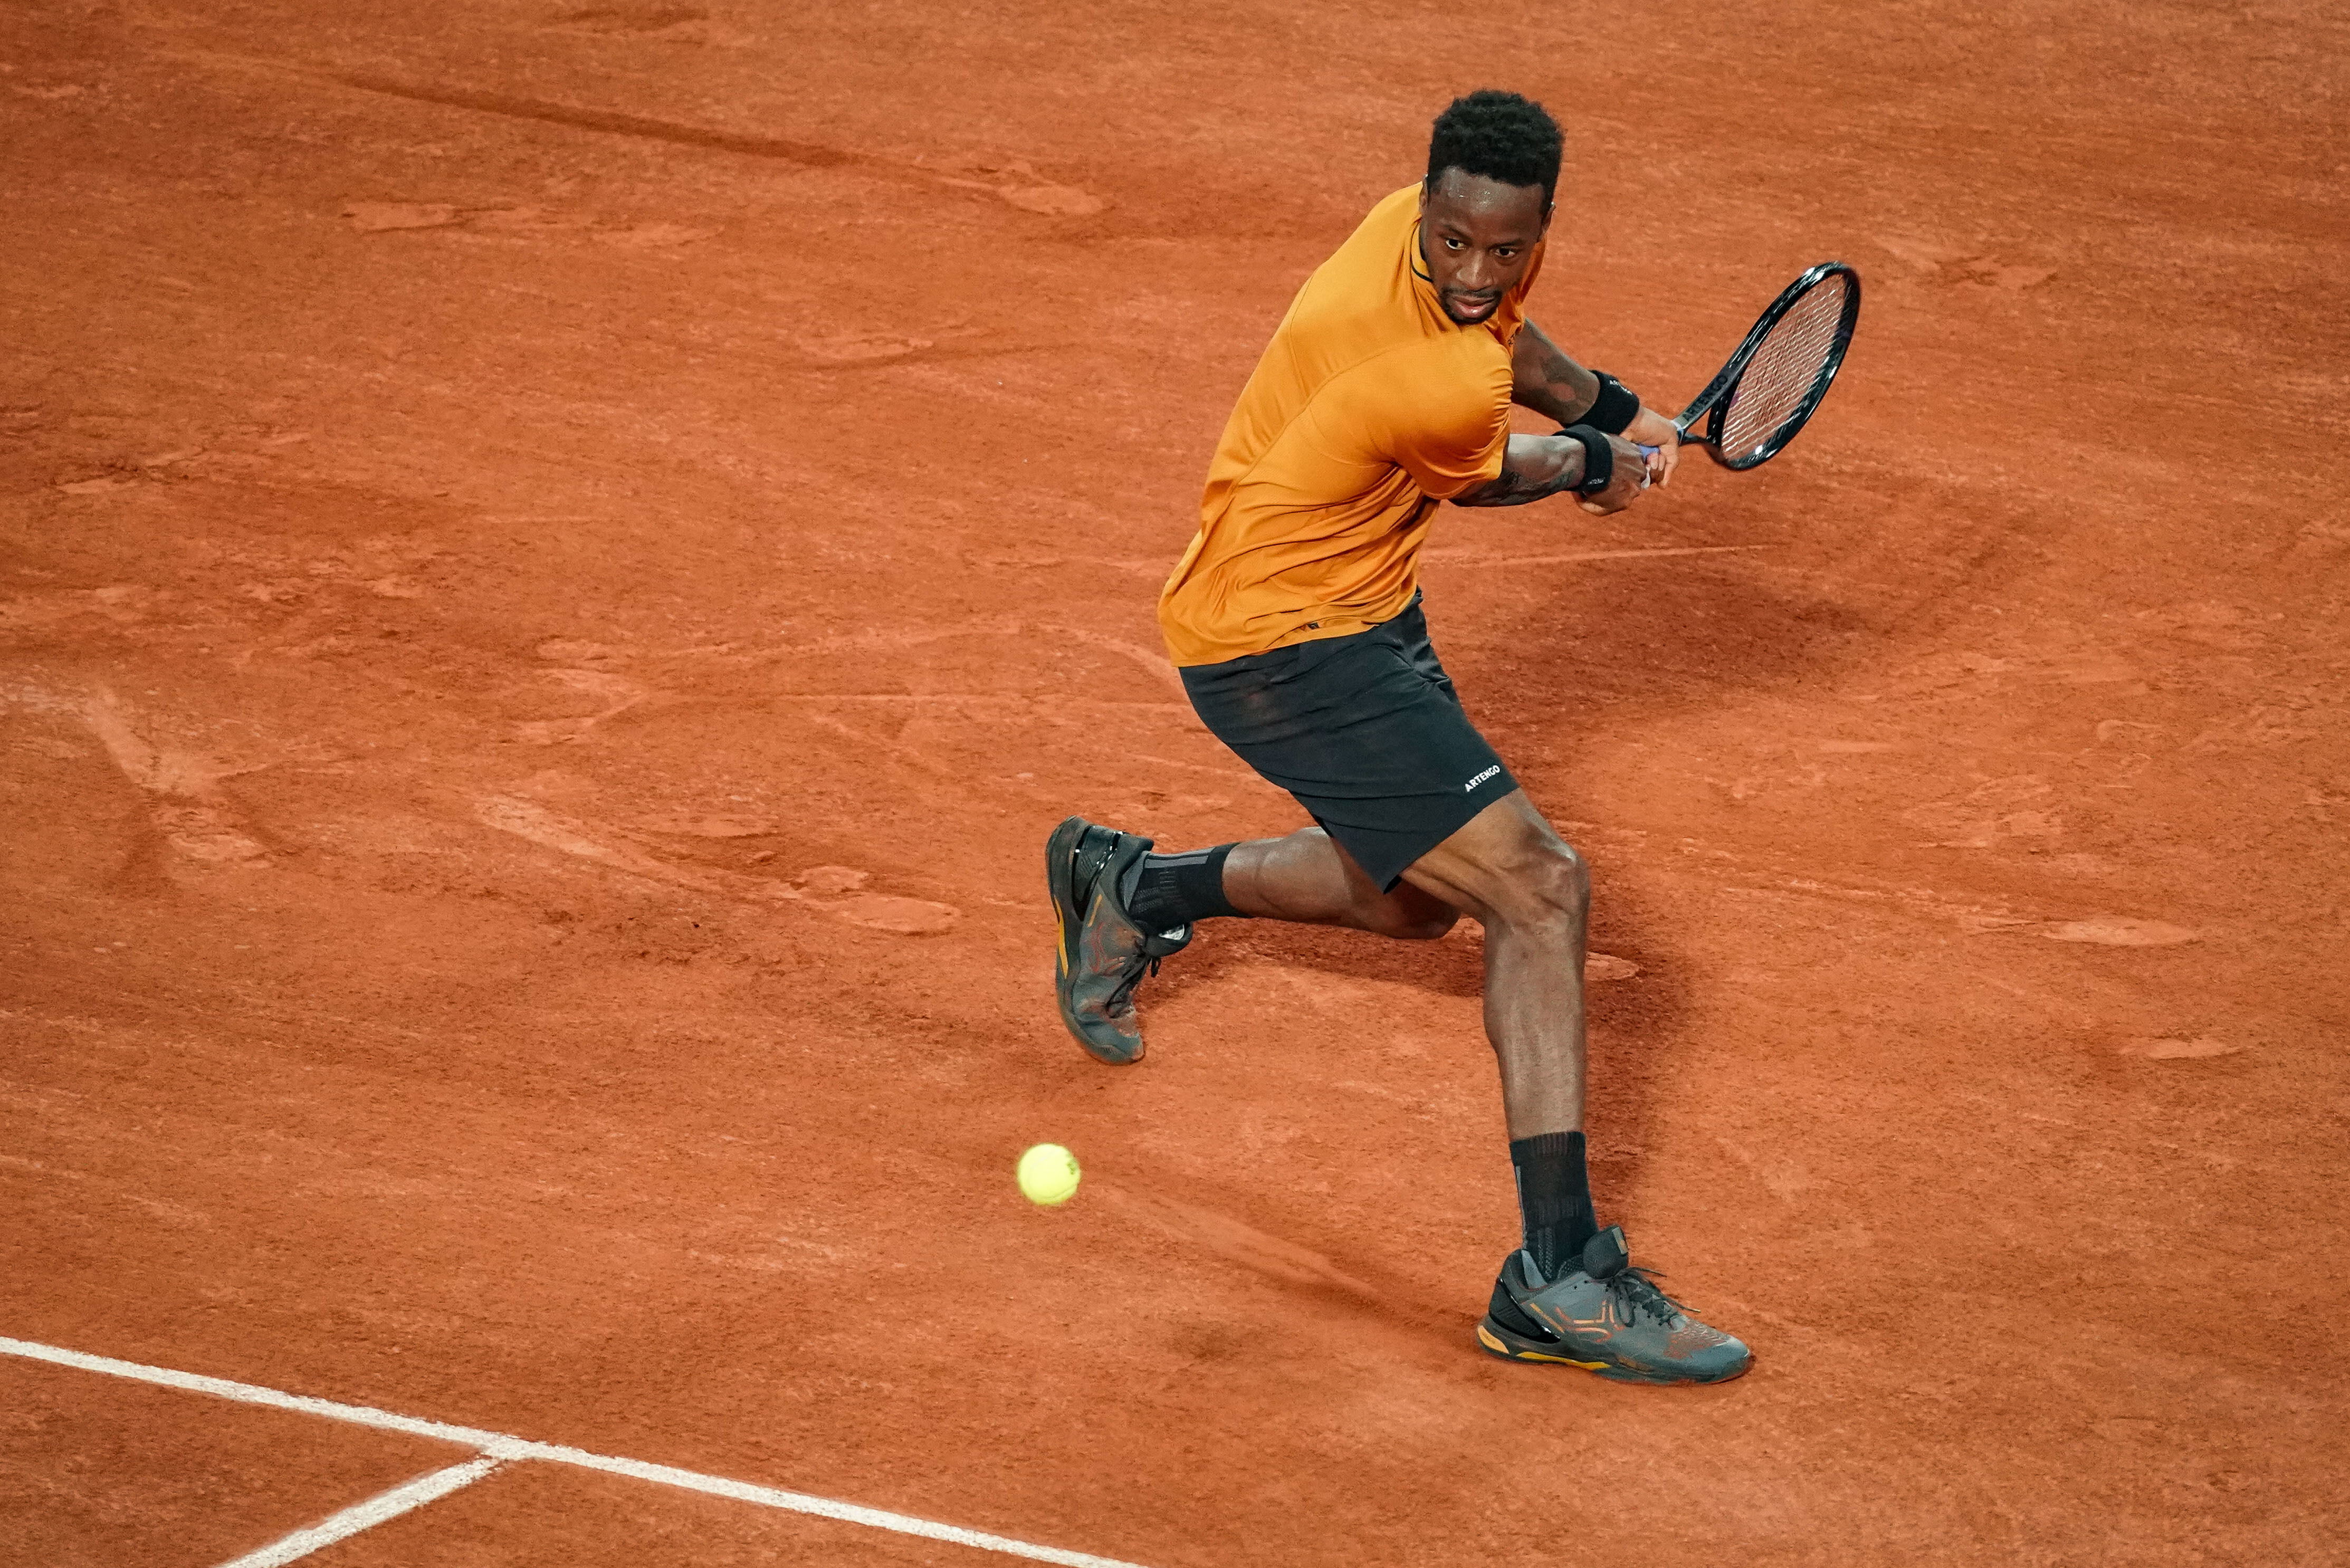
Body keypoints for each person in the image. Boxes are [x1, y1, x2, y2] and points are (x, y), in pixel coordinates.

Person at [1045, 90, 1749, 1385]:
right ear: (1426, 210)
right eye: (1455, 244)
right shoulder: (1428, 374)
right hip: (1280, 645)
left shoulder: (1406, 236)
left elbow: (1516, 351)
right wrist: (1597, 464)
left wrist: (1621, 408)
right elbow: (1496, 465)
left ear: (1531, 228)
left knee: (1418, 903)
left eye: (1505, 248)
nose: (1476, 272)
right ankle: (1558, 1277)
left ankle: (1132, 887)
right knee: (1539, 889)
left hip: (1359, 606)